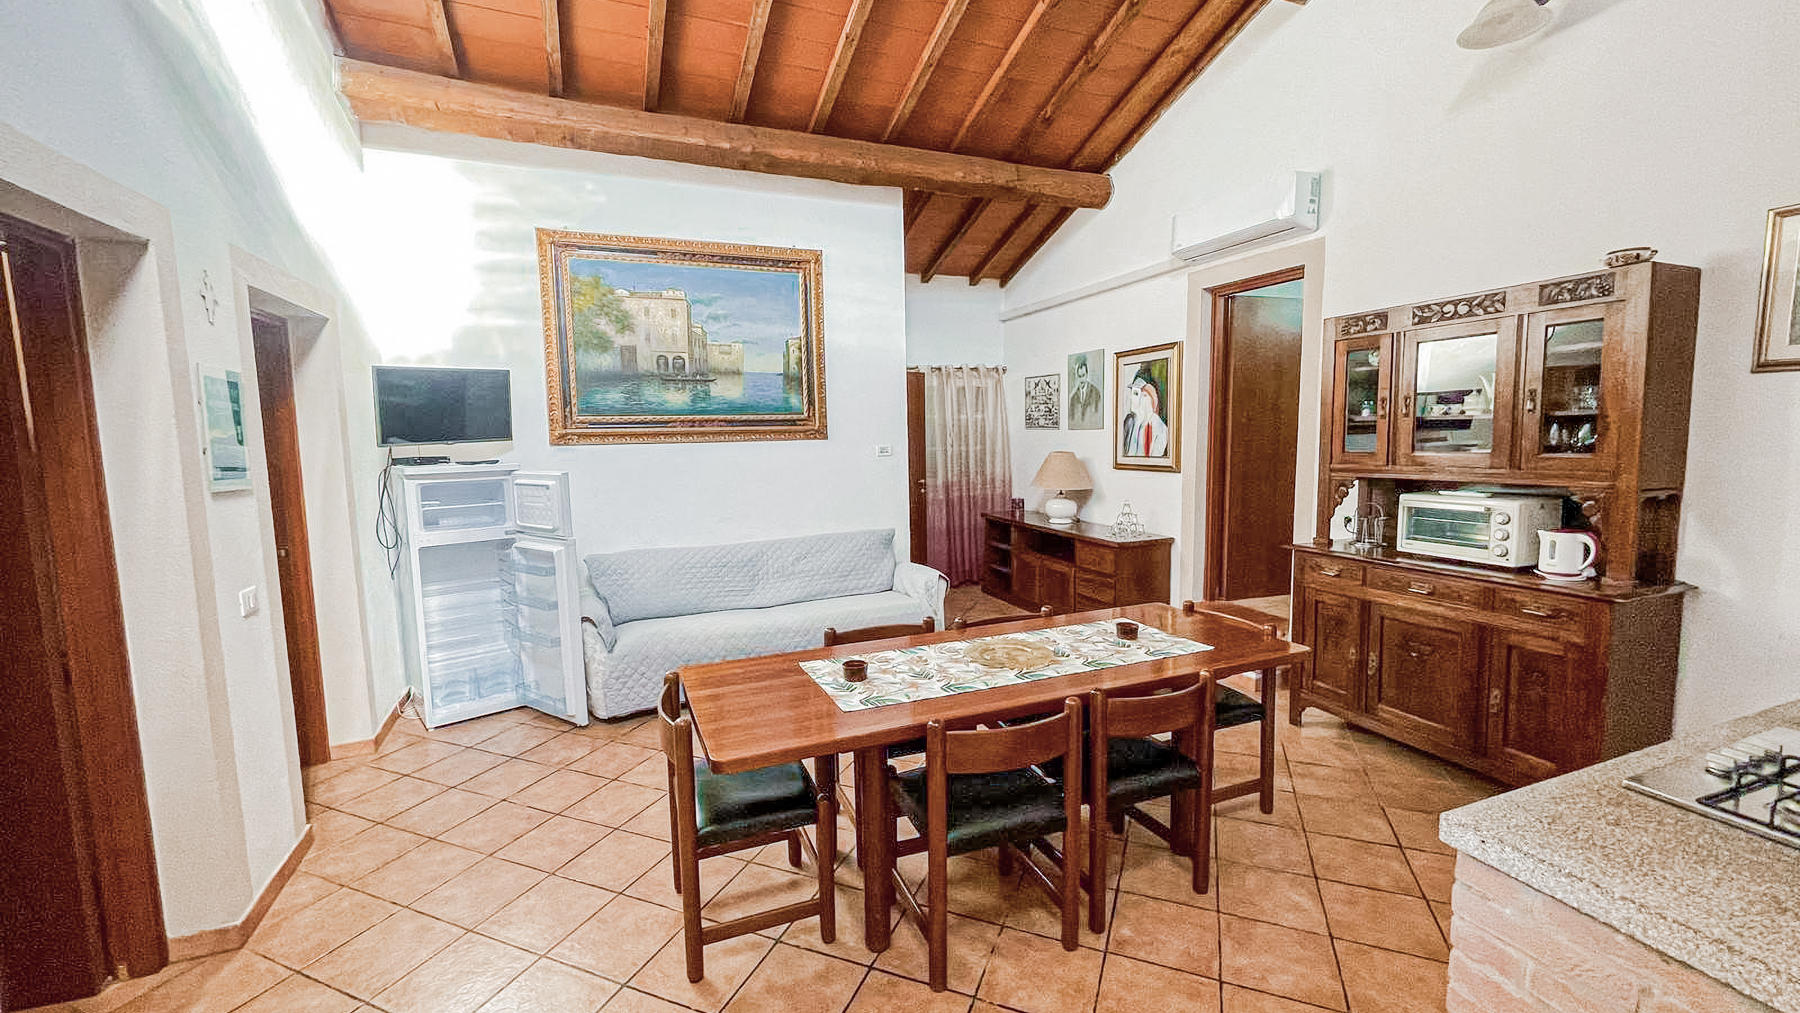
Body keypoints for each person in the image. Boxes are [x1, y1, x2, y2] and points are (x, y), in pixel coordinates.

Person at [1120, 368, 1169, 458]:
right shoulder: (1129, 422)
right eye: (1133, 393)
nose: (1132, 398)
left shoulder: (1160, 429)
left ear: (1150, 398)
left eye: (1137, 394)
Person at [1068, 356, 1102, 429]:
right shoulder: (1073, 398)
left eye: (1083, 375)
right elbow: (1071, 420)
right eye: (1079, 376)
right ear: (1077, 377)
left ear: (1087, 374)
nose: (1081, 380)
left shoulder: (1096, 393)